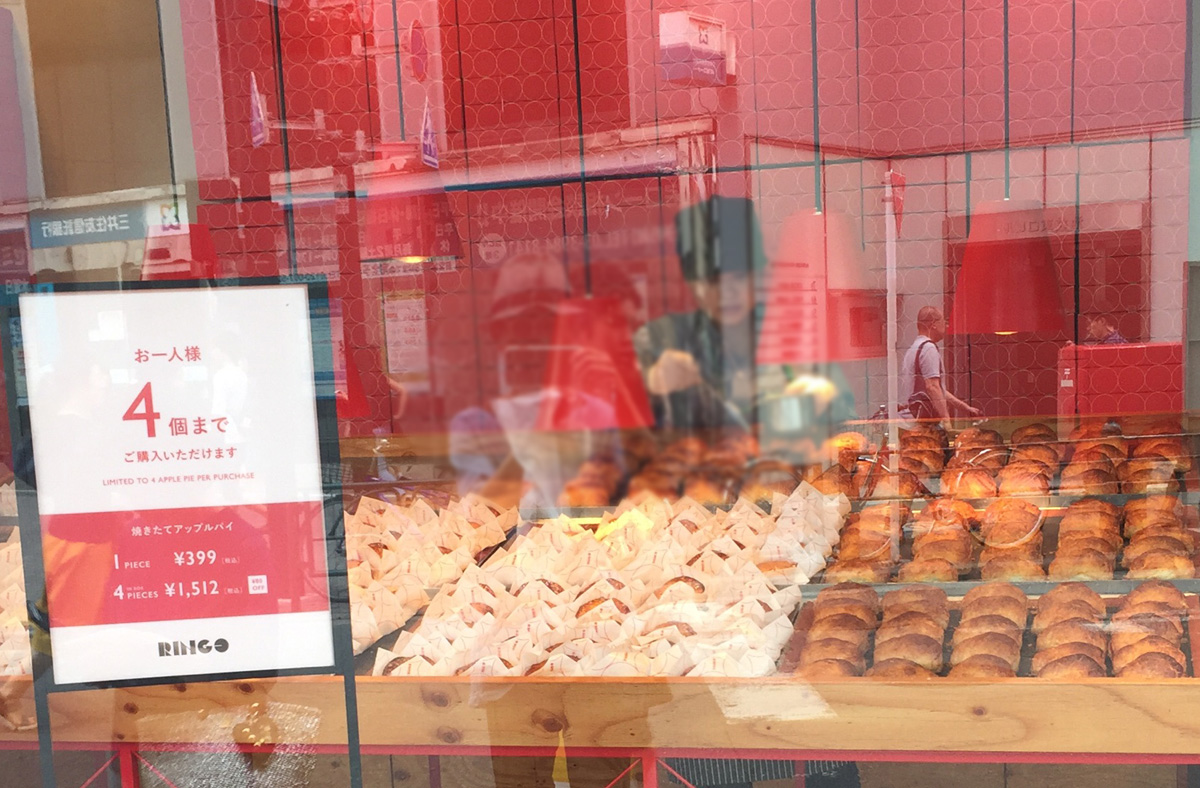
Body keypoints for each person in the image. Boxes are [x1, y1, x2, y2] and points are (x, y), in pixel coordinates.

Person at [898, 306, 980, 428]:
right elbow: (932, 387)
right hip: (921, 424)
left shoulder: (914, 348)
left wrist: (964, 408)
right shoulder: (928, 348)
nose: (946, 326)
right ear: (934, 324)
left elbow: (939, 390)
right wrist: (946, 419)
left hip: (909, 421)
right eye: (944, 321)